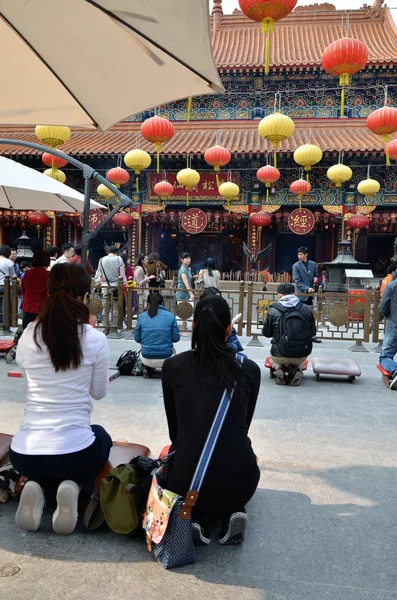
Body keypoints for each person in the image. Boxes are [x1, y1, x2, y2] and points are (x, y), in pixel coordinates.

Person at [10, 263, 111, 534]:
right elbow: (99, 392)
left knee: (48, 461)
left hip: (24, 454)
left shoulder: (29, 334)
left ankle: (38, 486)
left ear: (47, 292)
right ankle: (74, 487)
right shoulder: (95, 338)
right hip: (75, 454)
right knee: (101, 437)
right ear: (85, 297)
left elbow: (29, 380)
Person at [161, 295, 260, 545]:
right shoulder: (249, 370)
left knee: (183, 456)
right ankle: (233, 511)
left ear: (194, 327)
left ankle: (196, 515)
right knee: (237, 456)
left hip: (186, 480)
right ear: (229, 329)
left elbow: (176, 432)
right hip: (241, 481)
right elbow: (243, 425)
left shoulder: (173, 367)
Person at [262, 282, 316, 386]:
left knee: (272, 358)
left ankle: (278, 369)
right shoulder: (306, 309)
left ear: (279, 294)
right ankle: (298, 370)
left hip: (279, 354)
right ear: (294, 293)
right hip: (301, 355)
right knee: (301, 360)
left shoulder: (273, 309)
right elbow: (312, 332)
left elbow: (267, 333)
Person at [134, 292, 180, 378]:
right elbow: (176, 338)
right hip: (166, 355)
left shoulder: (142, 317)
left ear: (148, 304)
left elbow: (137, 338)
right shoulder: (170, 316)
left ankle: (147, 368)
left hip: (146, 356)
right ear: (162, 303)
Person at [292, 246, 321, 343]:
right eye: (298, 254)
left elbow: (316, 275)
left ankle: (311, 335)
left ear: (306, 254)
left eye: (301, 254)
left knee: (311, 315)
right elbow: (297, 281)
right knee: (300, 316)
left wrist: (316, 279)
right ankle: (300, 335)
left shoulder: (313, 264)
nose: (299, 256)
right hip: (301, 295)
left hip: (310, 295)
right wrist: (306, 288)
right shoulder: (296, 266)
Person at [95, 246, 126, 332]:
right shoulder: (119, 259)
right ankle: (114, 326)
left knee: (105, 307)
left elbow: (98, 273)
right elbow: (122, 272)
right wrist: (124, 283)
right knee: (115, 307)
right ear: (117, 252)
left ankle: (105, 327)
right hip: (116, 286)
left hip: (105, 286)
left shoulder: (101, 260)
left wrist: (100, 283)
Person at [20, 250, 50, 330]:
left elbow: (23, 291)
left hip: (28, 307)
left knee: (27, 332)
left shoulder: (27, 274)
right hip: (43, 308)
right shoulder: (48, 275)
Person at [379, 275, 397, 389]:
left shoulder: (391, 286)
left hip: (394, 325)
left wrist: (389, 317)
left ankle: (395, 370)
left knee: (385, 357)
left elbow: (383, 307)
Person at [175, 252, 195, 331]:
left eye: (189, 258)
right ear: (182, 260)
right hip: (182, 292)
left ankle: (183, 327)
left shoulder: (187, 269)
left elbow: (188, 279)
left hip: (185, 293)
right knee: (183, 310)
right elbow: (186, 283)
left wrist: (193, 277)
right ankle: (181, 328)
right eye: (186, 258)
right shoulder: (183, 270)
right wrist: (191, 293)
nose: (188, 260)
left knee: (186, 310)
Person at [0, 245, 16, 334]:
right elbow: (13, 275)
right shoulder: (9, 262)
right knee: (5, 307)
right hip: (6, 287)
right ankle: (6, 327)